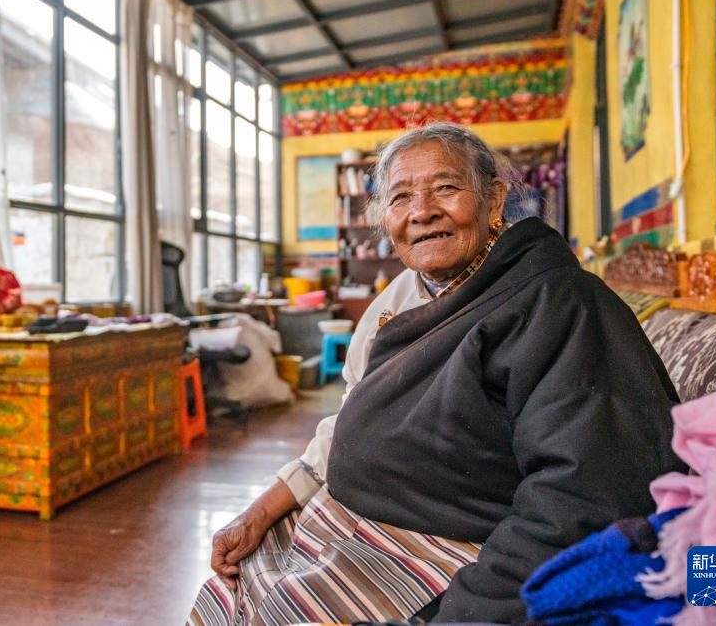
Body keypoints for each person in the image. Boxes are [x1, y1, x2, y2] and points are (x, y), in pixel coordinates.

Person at [187, 123, 684, 625]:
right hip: (338, 527)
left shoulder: (557, 302)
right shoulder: (399, 300)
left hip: (442, 553)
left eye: (445, 188)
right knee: (222, 598)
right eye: (400, 197)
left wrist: (470, 611)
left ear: (494, 200)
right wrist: (262, 510)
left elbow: (583, 492)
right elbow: (348, 419)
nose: (421, 211)